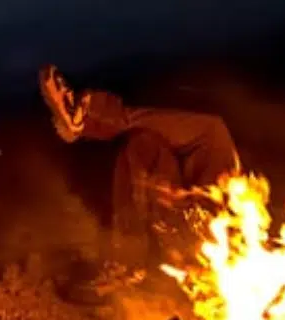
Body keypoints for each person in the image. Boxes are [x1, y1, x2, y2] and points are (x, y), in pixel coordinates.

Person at [38, 65, 243, 273]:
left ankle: (88, 118)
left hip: (200, 246)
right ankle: (88, 118)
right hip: (198, 222)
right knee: (153, 141)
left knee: (193, 137)